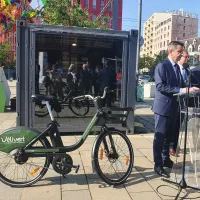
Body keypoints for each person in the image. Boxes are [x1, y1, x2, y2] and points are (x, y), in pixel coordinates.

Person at [152, 41, 199, 177]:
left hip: (175, 107)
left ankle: (166, 159)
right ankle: (158, 164)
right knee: (160, 137)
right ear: (171, 51)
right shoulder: (162, 66)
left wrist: (190, 90)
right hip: (163, 107)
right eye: (179, 52)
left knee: (169, 137)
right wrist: (182, 89)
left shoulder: (178, 68)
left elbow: (181, 85)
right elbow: (160, 86)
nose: (180, 54)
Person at [169, 50, 190, 157]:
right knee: (172, 126)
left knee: (178, 126)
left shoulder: (186, 70)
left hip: (183, 103)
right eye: (186, 57)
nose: (187, 59)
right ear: (181, 57)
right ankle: (170, 147)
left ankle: (175, 145)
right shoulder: (175, 69)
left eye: (188, 57)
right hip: (174, 103)